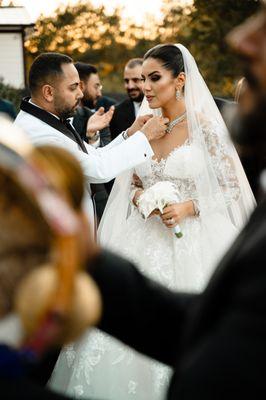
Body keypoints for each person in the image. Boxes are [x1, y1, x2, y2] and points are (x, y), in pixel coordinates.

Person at [49, 44, 255, 399]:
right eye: (143, 78)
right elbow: (133, 183)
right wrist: (142, 199)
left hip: (193, 242)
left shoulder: (205, 127)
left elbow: (232, 188)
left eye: (154, 77)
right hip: (141, 236)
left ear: (180, 80)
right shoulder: (144, 125)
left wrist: (189, 206)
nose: (145, 86)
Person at [14, 52, 169, 233]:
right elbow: (99, 169)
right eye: (73, 88)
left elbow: (96, 155)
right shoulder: (38, 134)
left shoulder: (50, 121)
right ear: (48, 92)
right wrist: (145, 136)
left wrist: (130, 134)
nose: (80, 93)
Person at [73, 62, 114, 220]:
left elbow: (109, 152)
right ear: (81, 86)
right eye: (96, 86)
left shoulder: (98, 118)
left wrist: (93, 137)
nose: (99, 93)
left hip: (98, 205)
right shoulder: (54, 121)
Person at [109, 58, 144, 139]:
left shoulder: (161, 108)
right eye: (126, 81)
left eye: (135, 80)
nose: (130, 86)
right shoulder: (116, 112)